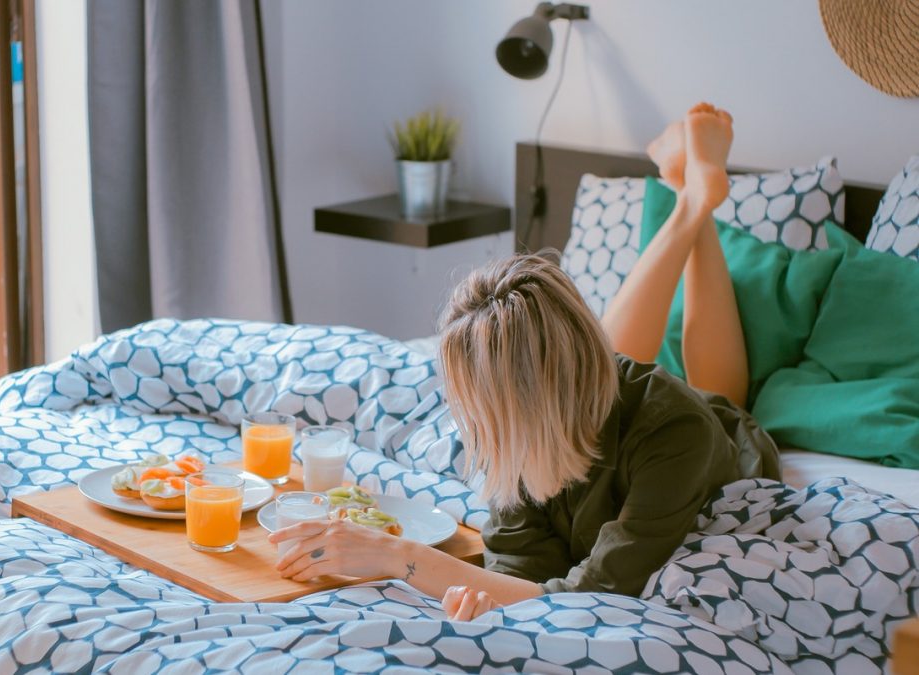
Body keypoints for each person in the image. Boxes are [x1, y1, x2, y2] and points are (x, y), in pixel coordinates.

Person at [269, 103, 780, 621]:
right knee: (609, 355)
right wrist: (492, 598)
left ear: (526, 400)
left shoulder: (676, 434)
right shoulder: (513, 431)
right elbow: (521, 566)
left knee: (720, 392)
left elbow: (600, 594)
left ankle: (696, 203)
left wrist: (402, 558)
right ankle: (691, 197)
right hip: (584, 395)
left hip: (716, 431)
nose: (470, 423)